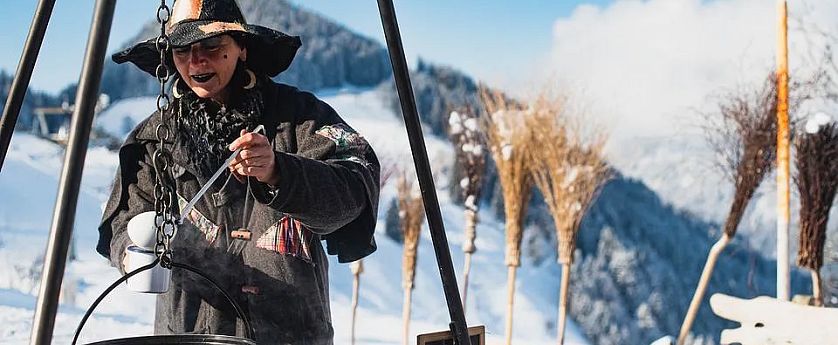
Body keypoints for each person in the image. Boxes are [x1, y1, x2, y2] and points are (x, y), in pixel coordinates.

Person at [96, 0, 380, 343]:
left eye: (211, 46)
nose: (195, 60)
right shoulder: (153, 140)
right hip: (190, 334)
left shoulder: (302, 118)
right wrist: (132, 253)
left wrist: (280, 172)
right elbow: (123, 220)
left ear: (241, 48)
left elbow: (355, 183)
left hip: (291, 334)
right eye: (181, 50)